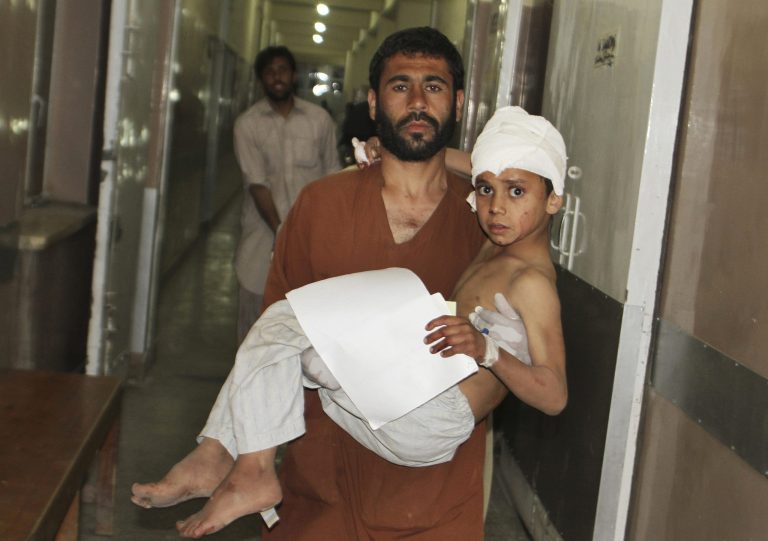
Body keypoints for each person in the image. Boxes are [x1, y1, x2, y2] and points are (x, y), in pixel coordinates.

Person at [132, 29, 566, 540]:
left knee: (298, 335)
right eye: (401, 87)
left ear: (459, 102)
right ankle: (231, 458)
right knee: (284, 332)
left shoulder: (483, 221)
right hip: (323, 488)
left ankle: (229, 457)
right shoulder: (324, 205)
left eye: (435, 87)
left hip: (432, 497)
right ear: (374, 101)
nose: (419, 101)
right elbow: (274, 344)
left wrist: (491, 353)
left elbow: (514, 169)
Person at [233, 45, 340, 342]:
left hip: (312, 241)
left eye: (282, 70)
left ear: (293, 76)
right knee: (254, 332)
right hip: (260, 245)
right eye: (269, 72)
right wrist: (282, 231)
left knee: (306, 332)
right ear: (261, 80)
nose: (276, 77)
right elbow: (256, 184)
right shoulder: (247, 125)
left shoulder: (319, 121)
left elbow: (332, 175)